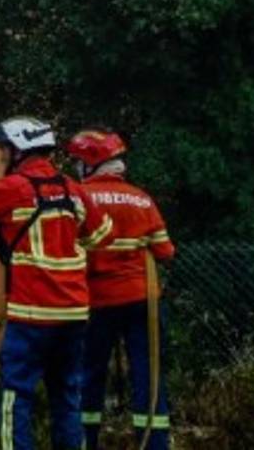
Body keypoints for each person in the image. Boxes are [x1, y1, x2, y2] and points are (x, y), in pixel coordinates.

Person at [0, 117, 114, 450]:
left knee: (16, 398)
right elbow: (101, 234)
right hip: (74, 316)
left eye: (6, 149)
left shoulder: (14, 188)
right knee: (67, 398)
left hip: (32, 317)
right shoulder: (72, 189)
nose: (3, 156)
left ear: (20, 149)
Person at [67, 129, 174, 450]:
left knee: (88, 374)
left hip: (95, 303)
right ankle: (154, 443)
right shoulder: (142, 198)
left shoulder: (77, 197)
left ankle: (85, 442)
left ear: (90, 163)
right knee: (147, 375)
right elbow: (166, 252)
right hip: (142, 302)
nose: (75, 168)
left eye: (77, 161)